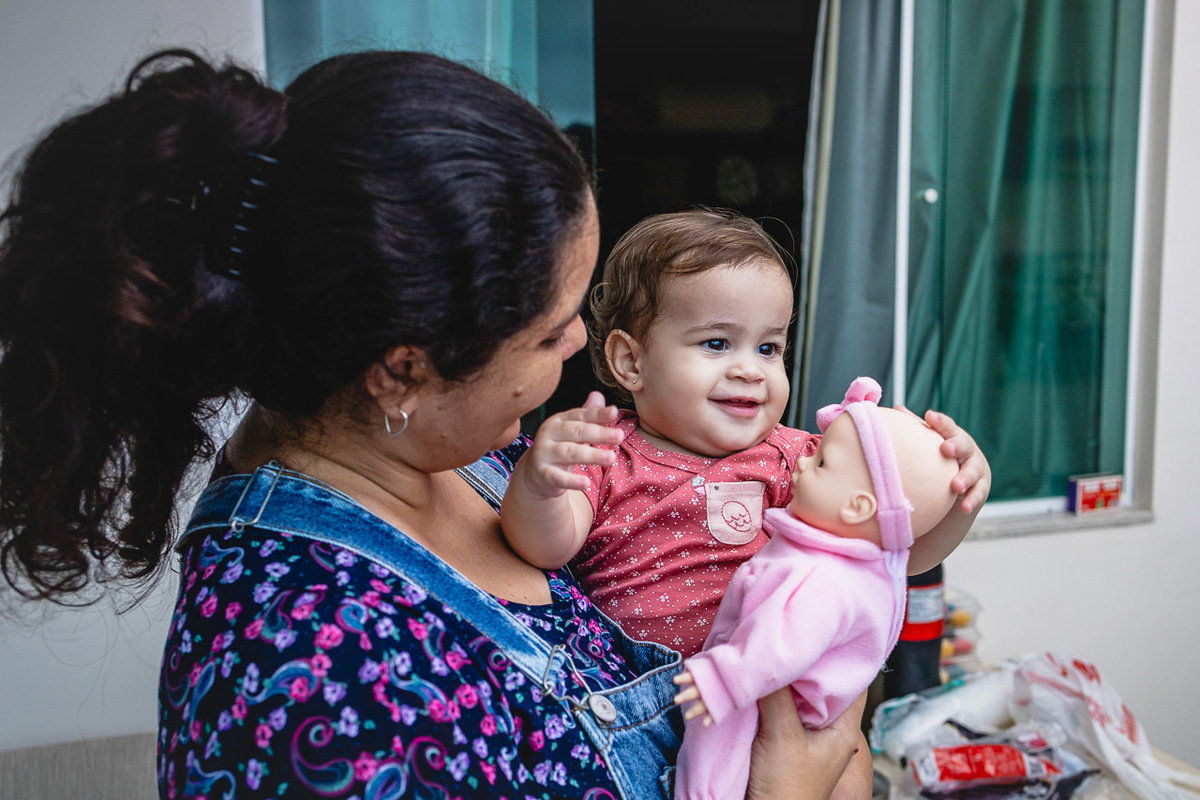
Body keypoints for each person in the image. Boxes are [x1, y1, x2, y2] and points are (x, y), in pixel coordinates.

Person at [0, 50, 867, 799]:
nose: (578, 348)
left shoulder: (464, 456)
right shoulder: (307, 679)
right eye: (547, 330)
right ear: (403, 368)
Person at [499, 210, 991, 794]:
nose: (750, 371)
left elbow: (899, 547)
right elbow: (545, 547)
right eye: (716, 343)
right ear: (631, 362)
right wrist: (539, 483)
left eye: (769, 348)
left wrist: (956, 499)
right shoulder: (608, 453)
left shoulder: (802, 457)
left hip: (779, 700)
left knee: (848, 776)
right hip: (648, 712)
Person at [671, 377, 961, 800]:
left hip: (760, 687)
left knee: (713, 747)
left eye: (822, 463)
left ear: (858, 506)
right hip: (809, 706)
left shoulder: (822, 578)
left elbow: (783, 641)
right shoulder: (871, 561)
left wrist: (726, 676)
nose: (804, 464)